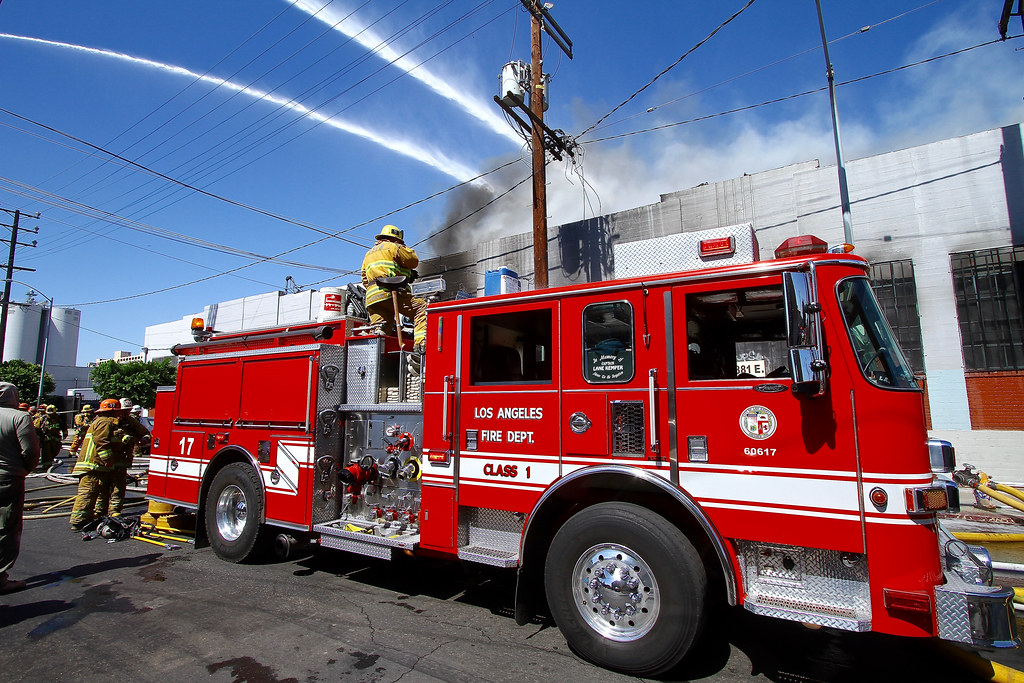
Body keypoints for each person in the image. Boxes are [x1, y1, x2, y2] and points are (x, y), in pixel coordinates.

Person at [0, 382, 40, 593]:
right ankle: (1, 579)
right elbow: (30, 452)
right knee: (7, 526)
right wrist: (23, 470)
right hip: (8, 479)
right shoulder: (19, 417)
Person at [360, 224, 426, 350]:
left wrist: (407, 274)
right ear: (395, 239)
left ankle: (374, 357)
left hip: (373, 297)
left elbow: (364, 278)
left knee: (380, 330)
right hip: (392, 292)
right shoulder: (394, 247)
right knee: (421, 308)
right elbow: (413, 261)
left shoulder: (368, 254)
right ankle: (421, 344)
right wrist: (402, 247)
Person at [69, 399, 123, 531]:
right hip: (92, 465)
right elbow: (101, 441)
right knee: (88, 493)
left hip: (96, 466)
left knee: (96, 493)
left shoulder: (101, 421)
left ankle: (88, 519)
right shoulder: (104, 422)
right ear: (112, 410)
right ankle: (79, 521)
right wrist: (108, 459)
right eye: (117, 410)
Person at [94, 399, 149, 518]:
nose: (125, 414)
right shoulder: (107, 422)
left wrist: (144, 439)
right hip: (106, 461)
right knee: (102, 487)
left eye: (128, 411)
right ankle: (99, 511)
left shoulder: (131, 422)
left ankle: (114, 510)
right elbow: (101, 441)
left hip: (122, 460)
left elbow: (145, 433)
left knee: (118, 488)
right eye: (124, 411)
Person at [33, 405, 66, 471]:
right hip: (46, 439)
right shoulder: (42, 419)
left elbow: (63, 427)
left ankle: (49, 462)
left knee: (55, 451)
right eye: (49, 414)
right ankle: (46, 466)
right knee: (46, 453)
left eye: (52, 414)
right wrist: (38, 439)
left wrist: (65, 434)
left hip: (56, 439)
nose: (51, 415)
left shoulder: (59, 418)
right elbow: (36, 429)